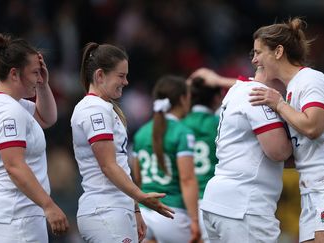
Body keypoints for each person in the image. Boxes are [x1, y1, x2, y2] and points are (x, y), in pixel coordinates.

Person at [249, 17, 324, 243]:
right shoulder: (292, 87)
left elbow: (313, 126)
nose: (254, 59)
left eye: (258, 52)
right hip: (312, 191)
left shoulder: (310, 80)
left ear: (278, 51)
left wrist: (278, 104)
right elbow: (300, 152)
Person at [71, 42, 174, 243]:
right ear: (100, 75)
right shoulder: (93, 109)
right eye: (121, 76)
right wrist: (141, 196)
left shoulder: (104, 107)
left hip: (116, 207)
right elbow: (108, 165)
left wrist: (135, 207)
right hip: (104, 209)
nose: (126, 82)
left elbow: (120, 163)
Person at [0, 33, 69, 243]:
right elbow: (14, 165)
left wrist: (44, 84)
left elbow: (46, 118)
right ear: (14, 74)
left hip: (4, 215)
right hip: (15, 217)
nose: (38, 77)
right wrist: (49, 205)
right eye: (35, 73)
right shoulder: (9, 111)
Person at [200, 66, 293, 243]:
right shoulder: (259, 95)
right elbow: (278, 151)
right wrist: (304, 145)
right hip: (244, 206)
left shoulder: (237, 90)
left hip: (217, 201)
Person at [132, 75, 201, 243]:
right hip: (172, 213)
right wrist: (195, 220)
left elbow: (137, 179)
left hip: (144, 213)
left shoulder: (141, 132)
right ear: (183, 99)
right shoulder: (182, 132)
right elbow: (187, 179)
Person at [181, 76, 223, 243]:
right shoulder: (220, 123)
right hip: (213, 199)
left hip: (183, 202)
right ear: (216, 98)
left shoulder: (179, 125)